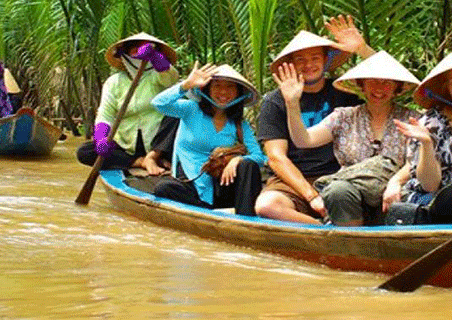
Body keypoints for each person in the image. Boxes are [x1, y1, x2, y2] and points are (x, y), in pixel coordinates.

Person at [274, 51, 419, 226]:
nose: (379, 88)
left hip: (394, 193)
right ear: (362, 85)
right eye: (372, 81)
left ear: (397, 87)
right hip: (350, 196)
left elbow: (415, 160)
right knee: (337, 190)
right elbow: (304, 140)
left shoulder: (412, 118)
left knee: (410, 201)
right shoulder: (344, 116)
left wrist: (396, 182)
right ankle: (349, 244)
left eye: (387, 83)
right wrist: (292, 104)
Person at [254, 16, 376, 224]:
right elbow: (276, 158)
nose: (308, 65)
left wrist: (363, 49)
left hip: (342, 174)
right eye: (300, 60)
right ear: (290, 65)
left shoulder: (344, 92)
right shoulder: (274, 102)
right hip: (295, 179)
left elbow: (387, 84)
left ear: (326, 60)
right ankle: (324, 229)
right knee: (267, 206)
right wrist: (311, 195)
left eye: (314, 58)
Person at [389, 53, 452, 224]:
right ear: (448, 89)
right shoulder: (431, 122)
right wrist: (426, 143)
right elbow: (430, 185)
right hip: (442, 202)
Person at [151, 63, 266, 216]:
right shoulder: (190, 109)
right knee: (163, 188)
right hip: (192, 183)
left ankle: (246, 218)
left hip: (222, 184)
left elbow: (259, 156)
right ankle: (210, 212)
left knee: (248, 165)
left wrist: (236, 160)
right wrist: (186, 85)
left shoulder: (239, 123)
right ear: (208, 88)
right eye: (217, 86)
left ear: (238, 93)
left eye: (230, 87)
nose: (223, 92)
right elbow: (159, 103)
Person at [76, 32, 179, 173]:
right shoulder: (114, 82)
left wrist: (153, 56)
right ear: (125, 54)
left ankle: (154, 157)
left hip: (160, 145)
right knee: (84, 152)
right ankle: (138, 162)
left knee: (176, 115)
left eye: (143, 48)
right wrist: (101, 138)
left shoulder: (158, 76)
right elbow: (105, 115)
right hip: (126, 147)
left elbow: (170, 77)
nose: (139, 52)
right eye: (135, 49)